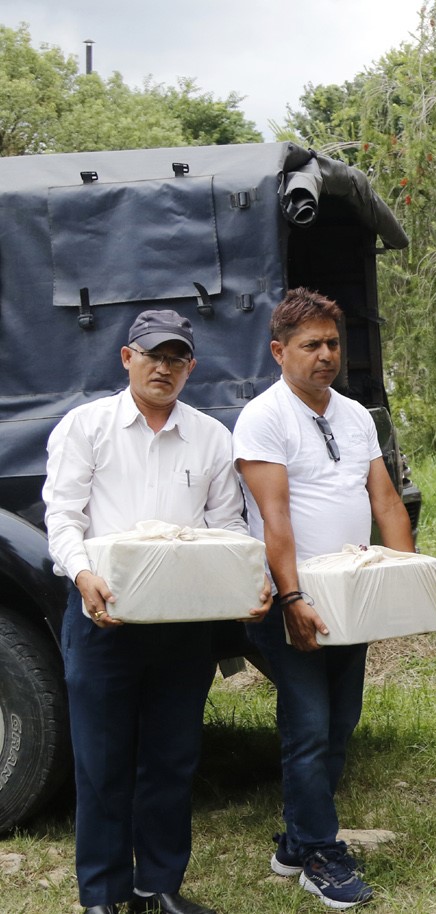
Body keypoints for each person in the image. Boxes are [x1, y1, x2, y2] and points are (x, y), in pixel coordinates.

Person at [43, 310, 270, 914]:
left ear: (190, 366)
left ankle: (159, 886)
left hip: (182, 626)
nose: (163, 368)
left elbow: (226, 526)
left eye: (176, 358)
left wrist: (249, 580)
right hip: (102, 617)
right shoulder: (86, 427)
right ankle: (103, 894)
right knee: (101, 761)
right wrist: (85, 575)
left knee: (172, 758)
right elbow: (63, 516)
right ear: (127, 358)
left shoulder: (210, 437)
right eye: (152, 356)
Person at [236, 288, 415, 909]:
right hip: (294, 602)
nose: (326, 355)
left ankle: (294, 842)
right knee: (309, 726)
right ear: (279, 351)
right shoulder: (264, 417)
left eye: (333, 342)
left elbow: (386, 502)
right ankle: (318, 851)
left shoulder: (356, 414)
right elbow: (274, 517)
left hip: (352, 594)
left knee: (341, 722)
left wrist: (404, 583)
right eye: (311, 345)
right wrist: (290, 598)